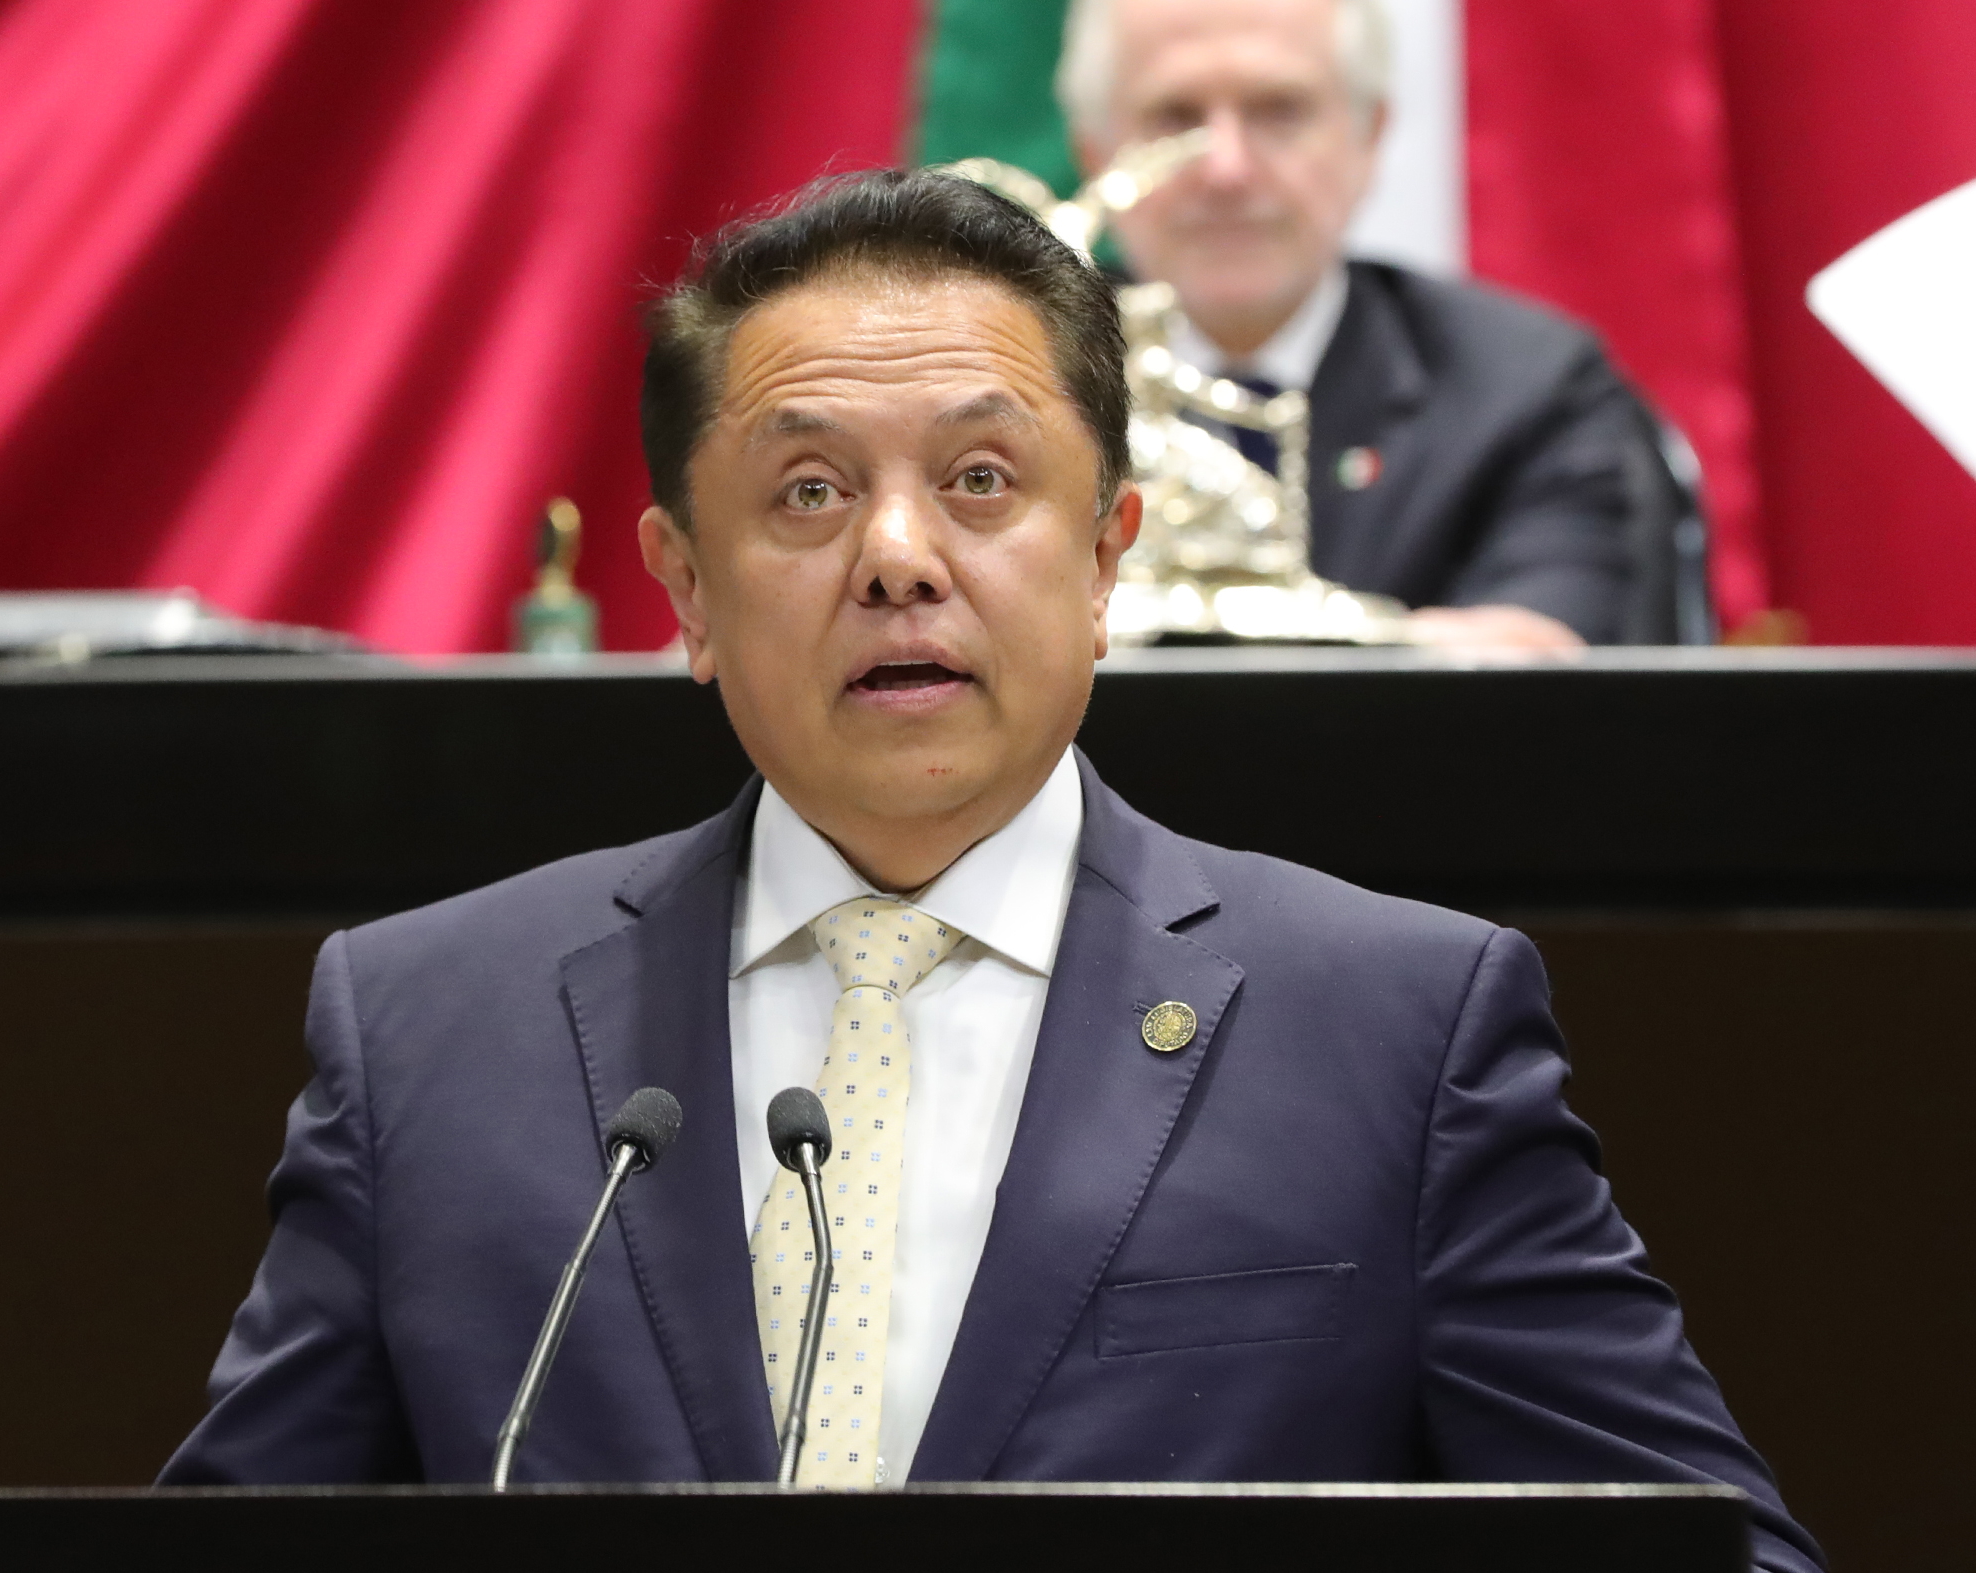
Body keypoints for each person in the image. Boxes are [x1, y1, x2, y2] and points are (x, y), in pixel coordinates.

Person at [159, 168, 1818, 1571]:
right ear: (685, 588)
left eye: (978, 481)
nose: (897, 558)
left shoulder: (1394, 1023)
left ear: (1104, 558)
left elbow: (1712, 1546)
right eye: (808, 491)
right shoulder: (430, 1026)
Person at [1061, 0, 1688, 649]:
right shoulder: (1019, 376)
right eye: (1175, 118)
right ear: (1094, 153)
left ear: (1370, 137)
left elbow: (1539, 656)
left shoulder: (1529, 389)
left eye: (1280, 112)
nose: (1226, 169)